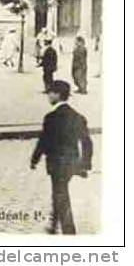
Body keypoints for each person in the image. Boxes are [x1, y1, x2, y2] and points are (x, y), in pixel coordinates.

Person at [30, 80, 93, 235]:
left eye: (50, 93)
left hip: (56, 164)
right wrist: (85, 163)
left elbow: (44, 141)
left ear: (57, 95)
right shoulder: (78, 116)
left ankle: (68, 231)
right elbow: (87, 142)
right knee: (59, 191)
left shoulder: (51, 117)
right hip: (71, 163)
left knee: (60, 193)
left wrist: (34, 159)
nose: (48, 96)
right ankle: (53, 224)